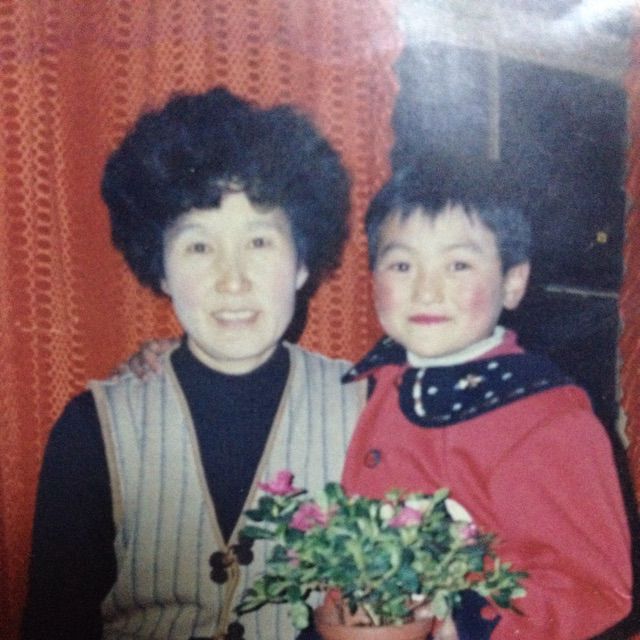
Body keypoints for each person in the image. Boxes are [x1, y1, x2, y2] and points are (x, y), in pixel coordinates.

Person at [21, 86, 368, 640]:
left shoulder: (369, 412)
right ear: (160, 269)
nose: (232, 280)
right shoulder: (94, 430)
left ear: (302, 262)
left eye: (259, 242)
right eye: (199, 248)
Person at [339, 151, 633, 639]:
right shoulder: (367, 386)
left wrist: (466, 624)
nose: (427, 290)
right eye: (402, 265)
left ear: (513, 282)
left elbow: (592, 587)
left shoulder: (545, 418)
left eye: (458, 265)